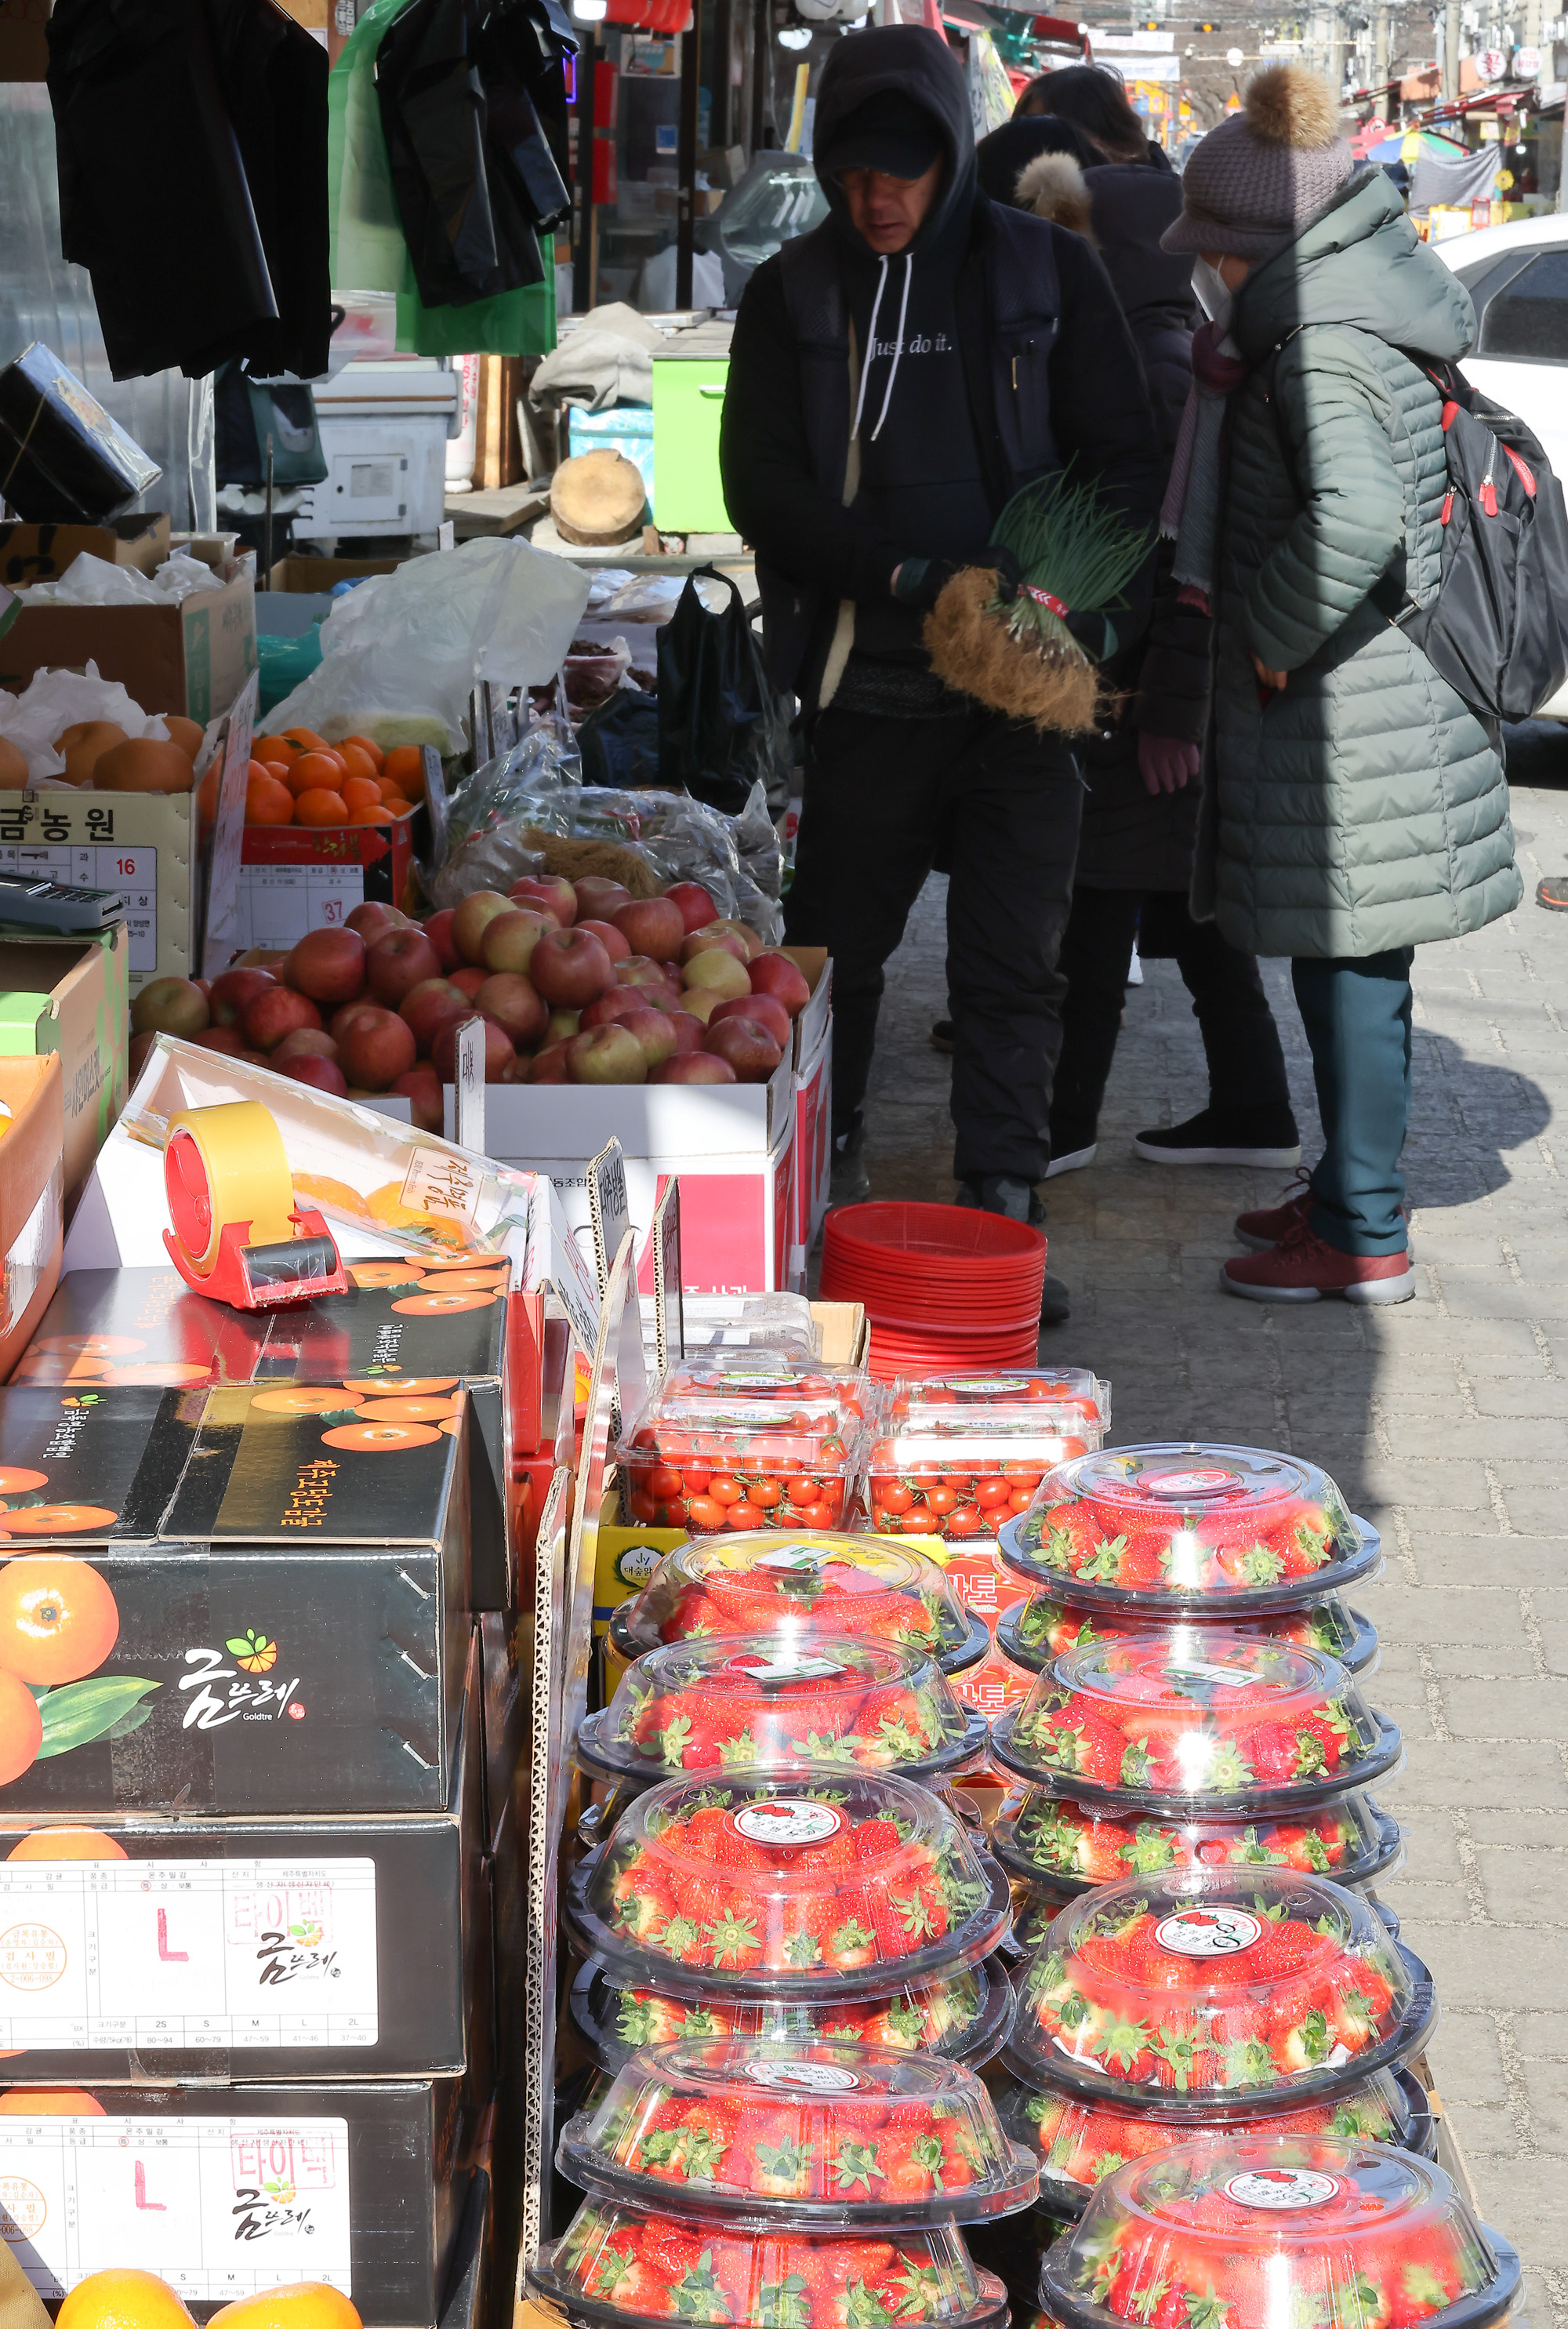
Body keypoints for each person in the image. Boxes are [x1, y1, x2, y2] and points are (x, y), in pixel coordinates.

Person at [720, 25, 1163, 1317]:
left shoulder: (1045, 269)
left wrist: (1085, 612)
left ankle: (1000, 1221)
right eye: (854, 172)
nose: (878, 197)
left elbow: (1126, 461)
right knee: (832, 955)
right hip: (867, 684)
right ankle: (819, 1193)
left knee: (1015, 965)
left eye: (903, 170)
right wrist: (900, 574)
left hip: (1023, 694)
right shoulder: (796, 291)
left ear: (953, 153)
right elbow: (760, 486)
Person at [1156, 64, 1520, 1301]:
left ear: (1262, 246)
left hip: (1354, 713)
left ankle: (1363, 1231)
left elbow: (1359, 519)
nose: (1210, 272)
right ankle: (1342, 1192)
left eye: (1219, 251)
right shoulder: (1353, 311)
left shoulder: (1318, 347)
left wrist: (1267, 632)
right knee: (1349, 962)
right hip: (1375, 705)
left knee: (1352, 969)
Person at [961, 69, 1301, 1178]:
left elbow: (1183, 563)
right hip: (1162, 694)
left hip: (1148, 692)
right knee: (1185, 916)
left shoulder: (1155, 370)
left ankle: (1062, 1124)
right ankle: (1253, 1107)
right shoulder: (1177, 347)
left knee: (1101, 910)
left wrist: (1158, 707)